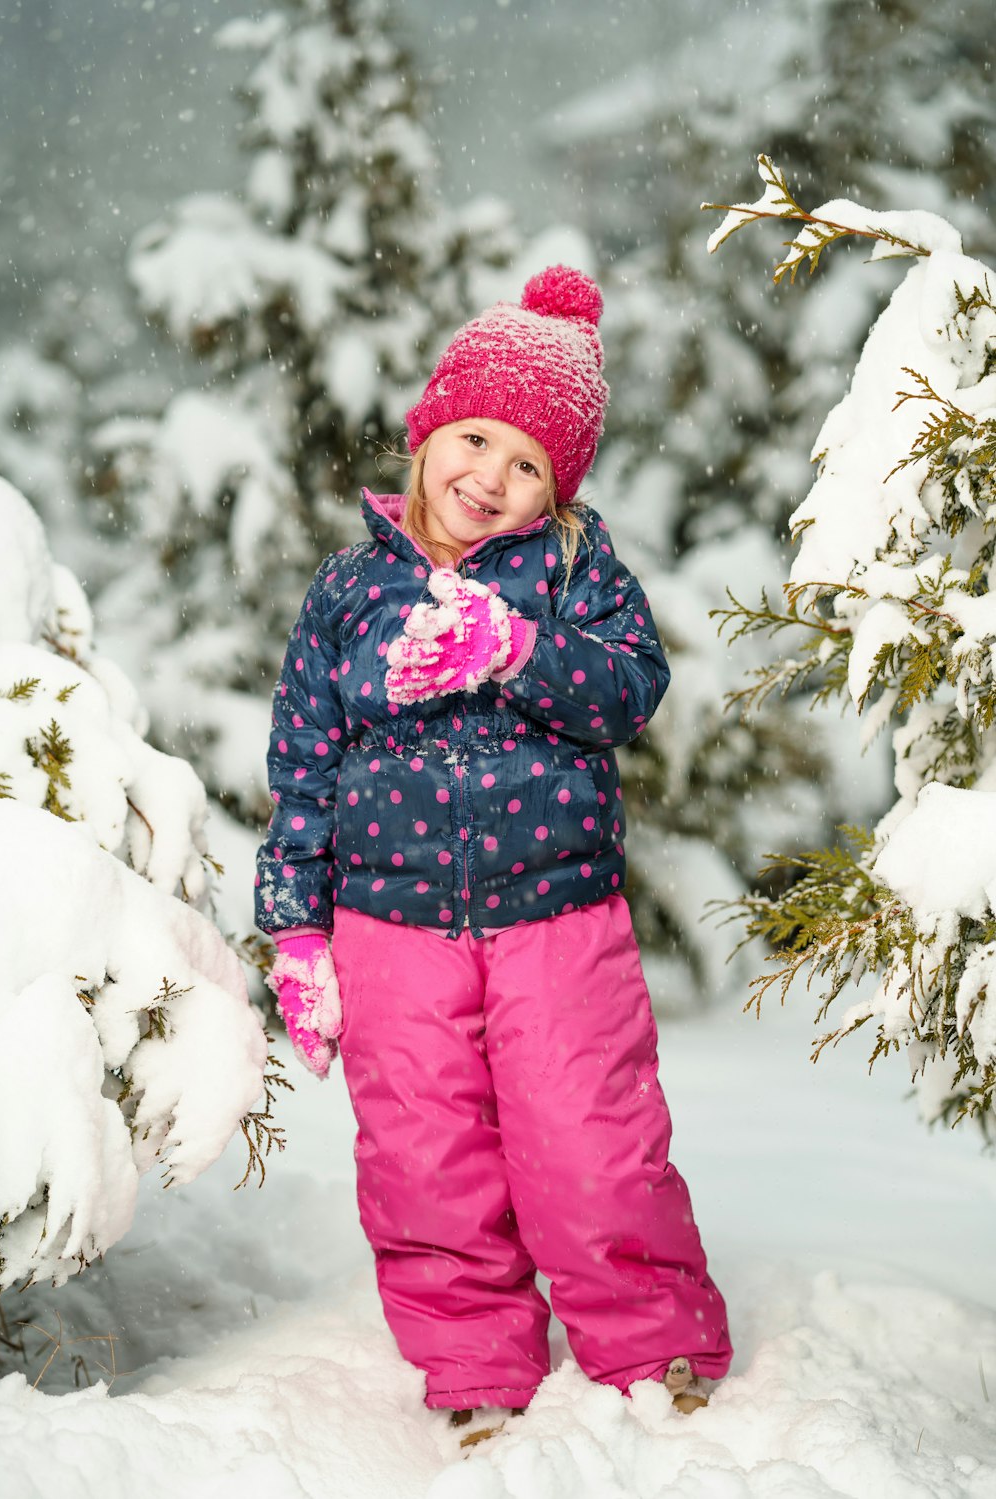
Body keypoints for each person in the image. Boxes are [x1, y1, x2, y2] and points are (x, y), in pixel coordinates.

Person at [255, 265, 732, 1440]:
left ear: (556, 486)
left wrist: (517, 646)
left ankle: (652, 1333)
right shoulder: (349, 589)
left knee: (592, 1140)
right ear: (426, 434)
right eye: (474, 439)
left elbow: (630, 690)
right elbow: (304, 758)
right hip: (390, 928)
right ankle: (471, 1354)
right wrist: (299, 927)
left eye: (529, 465)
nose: (492, 479)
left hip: (556, 916)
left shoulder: (572, 573)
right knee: (424, 1157)